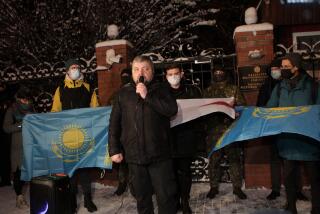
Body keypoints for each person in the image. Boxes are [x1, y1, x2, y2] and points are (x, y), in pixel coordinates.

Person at [108, 55, 178, 214]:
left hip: (160, 156)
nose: (141, 72)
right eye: (136, 69)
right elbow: (114, 124)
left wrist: (148, 96)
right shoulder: (123, 93)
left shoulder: (162, 90)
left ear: (151, 72)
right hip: (134, 157)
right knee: (142, 198)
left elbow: (171, 110)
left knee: (166, 197)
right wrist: (114, 149)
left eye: (145, 69)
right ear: (132, 72)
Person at [267, 53, 320, 214]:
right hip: (288, 140)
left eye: (286, 67)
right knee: (289, 178)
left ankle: (317, 208)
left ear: (296, 67)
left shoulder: (312, 87)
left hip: (308, 140)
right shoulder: (279, 87)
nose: (282, 69)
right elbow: (270, 108)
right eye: (281, 66)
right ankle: (291, 206)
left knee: (315, 179)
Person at [51, 58, 99, 213]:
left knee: (84, 169)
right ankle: (71, 202)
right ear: (67, 70)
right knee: (70, 170)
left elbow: (95, 110)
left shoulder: (87, 88)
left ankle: (87, 200)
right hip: (67, 137)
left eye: (77, 67)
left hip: (83, 135)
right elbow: (55, 112)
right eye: (72, 67)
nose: (75, 69)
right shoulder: (60, 89)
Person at [258, 59, 308, 201]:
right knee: (275, 159)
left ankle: (296, 190)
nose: (276, 71)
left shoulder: (291, 83)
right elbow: (262, 106)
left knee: (293, 159)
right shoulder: (266, 86)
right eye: (273, 68)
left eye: (278, 67)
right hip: (273, 128)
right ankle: (275, 189)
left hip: (290, 127)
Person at [203, 67, 247, 200]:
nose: (218, 74)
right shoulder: (208, 91)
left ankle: (237, 187)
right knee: (214, 161)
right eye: (216, 72)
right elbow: (202, 110)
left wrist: (234, 112)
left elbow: (242, 106)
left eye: (220, 72)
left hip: (231, 130)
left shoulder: (233, 89)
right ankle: (213, 187)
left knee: (234, 159)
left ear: (225, 73)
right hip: (214, 131)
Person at [165, 64, 202, 214]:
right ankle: (174, 201)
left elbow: (200, 111)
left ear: (182, 74)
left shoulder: (192, 91)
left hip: (186, 137)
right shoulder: (162, 92)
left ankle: (185, 200)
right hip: (167, 140)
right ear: (166, 76)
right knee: (170, 174)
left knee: (185, 173)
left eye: (176, 73)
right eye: (170, 74)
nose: (173, 76)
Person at [3, 86, 35, 208]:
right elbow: (6, 128)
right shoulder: (12, 110)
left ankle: (37, 195)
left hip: (31, 145)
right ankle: (19, 197)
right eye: (23, 99)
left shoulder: (32, 108)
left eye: (27, 99)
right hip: (18, 147)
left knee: (32, 173)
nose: (26, 102)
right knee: (19, 173)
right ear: (19, 99)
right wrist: (21, 125)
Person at [110, 68, 131, 196]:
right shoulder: (117, 94)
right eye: (123, 76)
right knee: (121, 163)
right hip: (121, 134)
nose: (125, 78)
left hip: (133, 133)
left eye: (127, 76)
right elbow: (108, 108)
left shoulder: (137, 91)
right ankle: (122, 184)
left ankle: (136, 185)